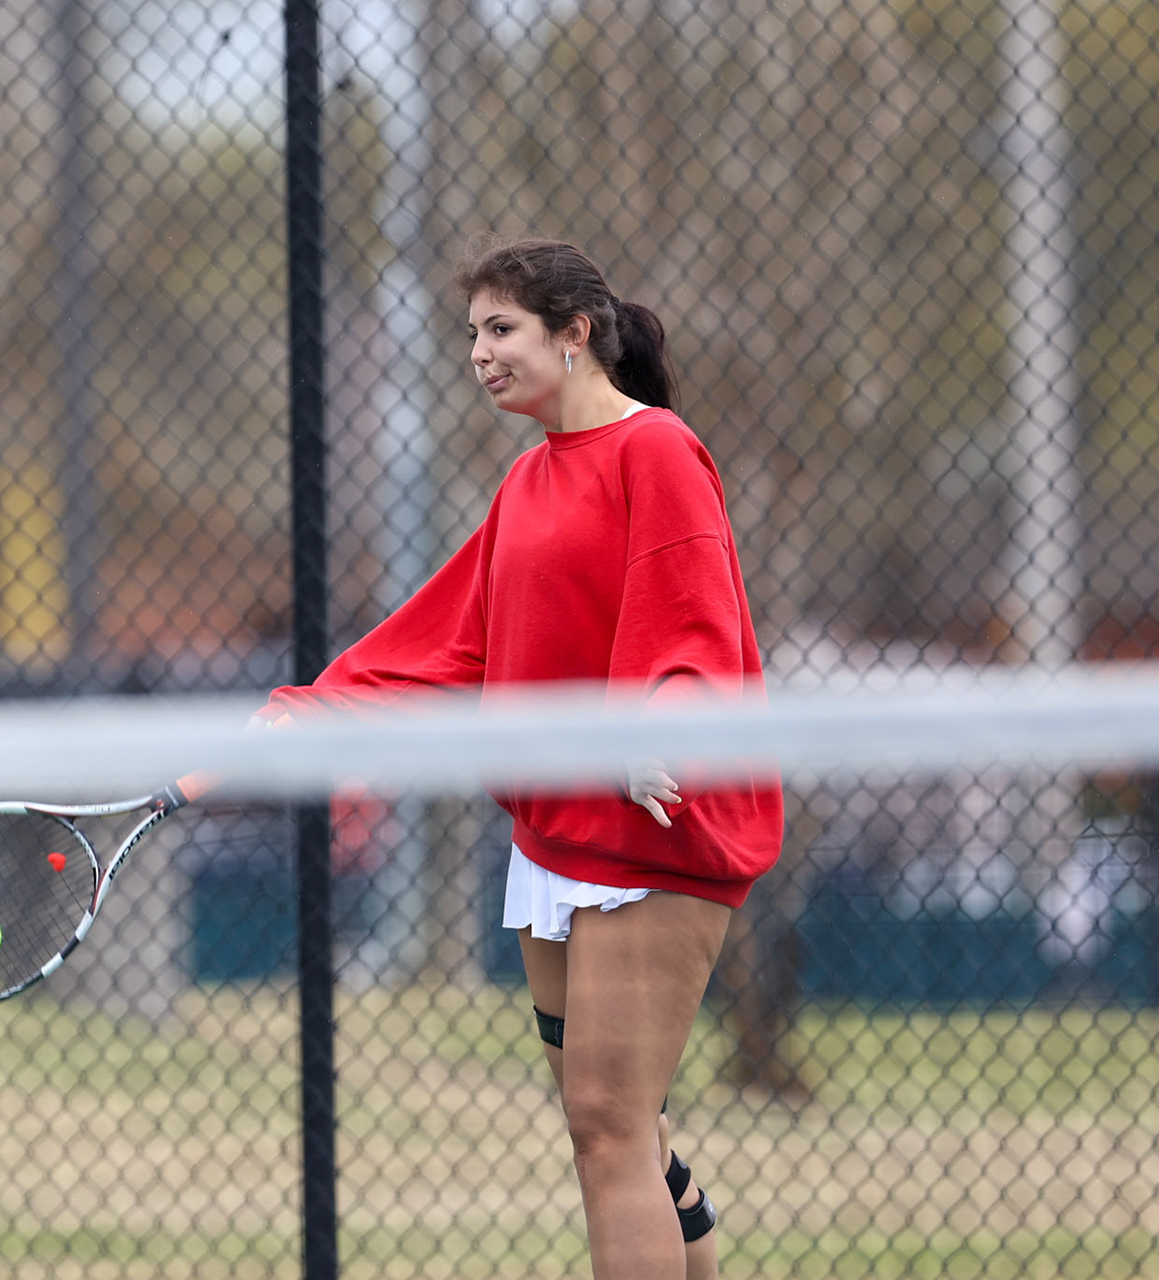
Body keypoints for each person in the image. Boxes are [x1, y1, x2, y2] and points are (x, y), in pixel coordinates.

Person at [255, 235, 784, 1279]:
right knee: (623, 1127)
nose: (480, 354)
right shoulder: (529, 480)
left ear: (575, 333)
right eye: (472, 335)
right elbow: (452, 637)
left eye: (502, 330)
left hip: (660, 824)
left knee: (607, 1124)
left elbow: (694, 616)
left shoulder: (658, 449)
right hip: (557, 829)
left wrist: (650, 729)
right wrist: (313, 709)